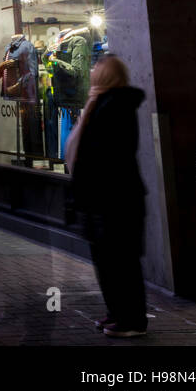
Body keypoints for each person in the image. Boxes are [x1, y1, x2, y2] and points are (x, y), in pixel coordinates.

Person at [67, 55, 148, 338]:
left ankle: (132, 320)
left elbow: (107, 154)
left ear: (105, 77)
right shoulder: (101, 103)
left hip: (116, 200)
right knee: (108, 261)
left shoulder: (115, 106)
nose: (91, 73)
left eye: (97, 70)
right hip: (102, 198)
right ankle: (117, 312)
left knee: (120, 262)